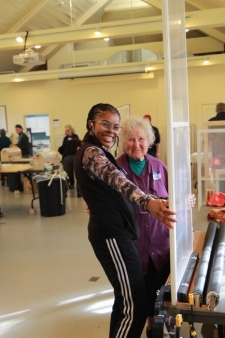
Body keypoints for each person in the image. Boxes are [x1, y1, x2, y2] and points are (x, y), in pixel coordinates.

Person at [74, 103, 177, 338]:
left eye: (115, 126)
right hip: (112, 234)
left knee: (129, 301)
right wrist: (149, 203)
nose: (111, 130)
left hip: (124, 234)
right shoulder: (92, 152)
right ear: (91, 124)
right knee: (135, 303)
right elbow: (121, 183)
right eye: (105, 124)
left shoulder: (100, 152)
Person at [58, 124, 81, 194]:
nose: (67, 132)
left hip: (70, 157)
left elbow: (62, 148)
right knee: (72, 175)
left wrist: (62, 151)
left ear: (71, 130)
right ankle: (78, 192)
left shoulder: (71, 138)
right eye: (66, 131)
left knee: (68, 175)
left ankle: (65, 192)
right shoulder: (69, 138)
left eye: (68, 130)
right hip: (72, 158)